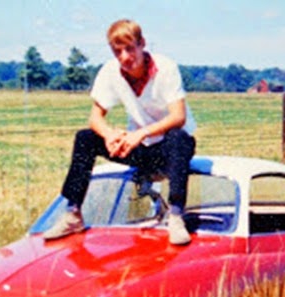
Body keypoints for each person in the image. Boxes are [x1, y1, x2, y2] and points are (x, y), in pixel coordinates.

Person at [44, 19, 196, 245]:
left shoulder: (166, 68)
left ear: (142, 44)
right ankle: (73, 213)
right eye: (117, 51)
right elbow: (95, 118)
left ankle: (175, 216)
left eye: (130, 48)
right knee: (85, 138)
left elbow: (178, 116)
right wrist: (110, 135)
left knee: (178, 137)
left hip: (170, 151)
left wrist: (140, 134)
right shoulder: (110, 71)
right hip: (139, 149)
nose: (125, 57)